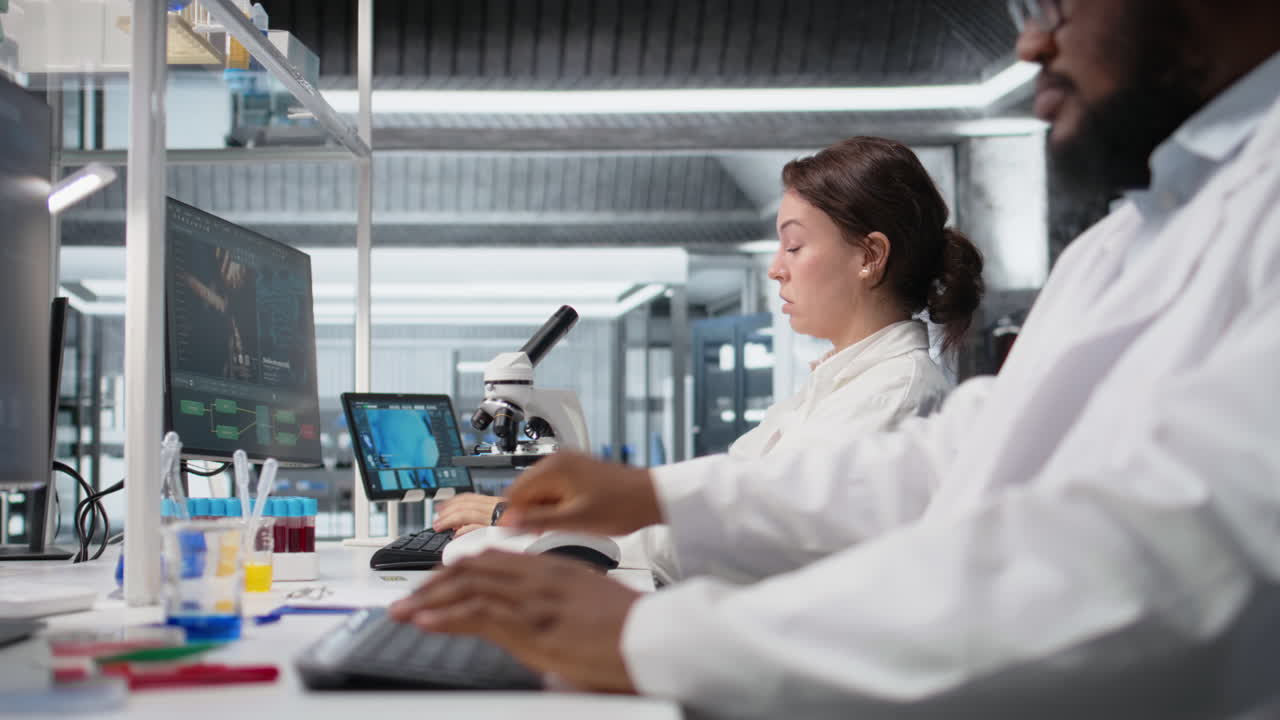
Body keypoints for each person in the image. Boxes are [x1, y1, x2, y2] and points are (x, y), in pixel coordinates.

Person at [391, 1, 1280, 717]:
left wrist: (657, 637)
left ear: (871, 256)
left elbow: (1178, 552)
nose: (1032, 39)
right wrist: (650, 496)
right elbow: (963, 460)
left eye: (1066, 4)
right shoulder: (1126, 241)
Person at [431, 138, 985, 574]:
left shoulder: (893, 392)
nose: (776, 268)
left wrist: (540, 522)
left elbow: (747, 540)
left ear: (869, 256)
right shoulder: (829, 388)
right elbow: (720, 494)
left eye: (794, 246)